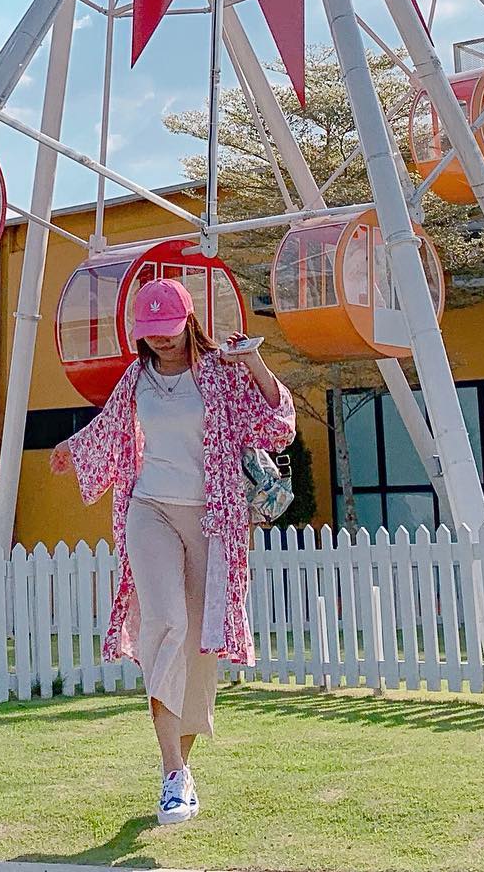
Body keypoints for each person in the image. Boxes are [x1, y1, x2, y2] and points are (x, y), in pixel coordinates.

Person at [50, 279, 294, 828]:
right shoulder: (136, 379)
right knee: (164, 623)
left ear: (189, 322)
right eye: (150, 334)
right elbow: (108, 429)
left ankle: (183, 768)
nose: (159, 342)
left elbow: (278, 425)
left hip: (211, 518)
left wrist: (254, 362)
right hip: (149, 509)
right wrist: (70, 450)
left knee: (201, 643)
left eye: (168, 330)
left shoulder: (222, 376)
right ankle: (170, 773)